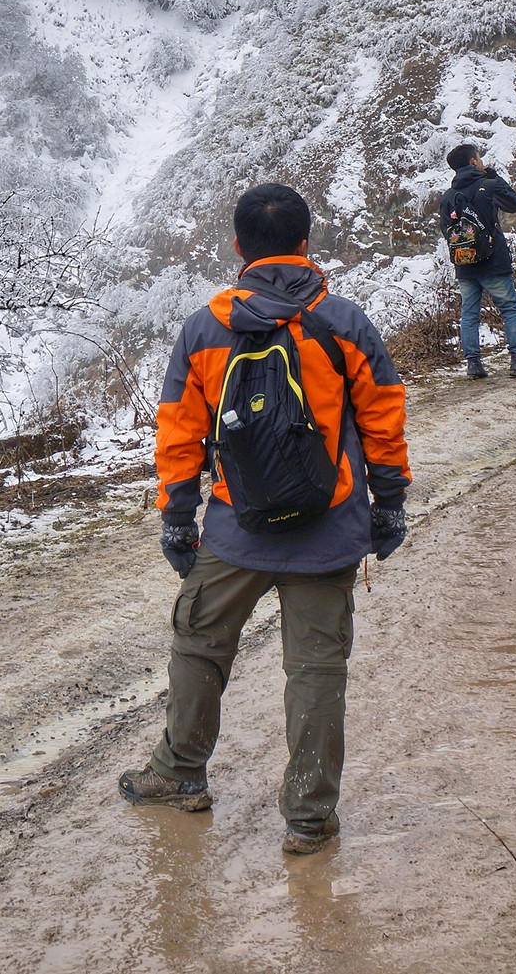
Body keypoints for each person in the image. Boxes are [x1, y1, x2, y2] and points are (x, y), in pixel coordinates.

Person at [118, 183, 411, 856]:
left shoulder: (205, 327)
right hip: (329, 528)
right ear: (307, 244)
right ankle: (308, 817)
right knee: (315, 671)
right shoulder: (343, 321)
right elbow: (384, 416)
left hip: (234, 529)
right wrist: (388, 504)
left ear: (238, 249)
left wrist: (178, 516)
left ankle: (178, 772)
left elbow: (179, 433)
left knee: (198, 642)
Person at [440, 143, 516, 379]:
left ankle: (474, 366)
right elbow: (514, 204)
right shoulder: (488, 185)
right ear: (474, 162)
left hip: (464, 265)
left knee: (469, 313)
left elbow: (446, 230)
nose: (482, 162)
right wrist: (494, 177)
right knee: (509, 309)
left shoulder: (447, 197)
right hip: (493, 262)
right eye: (480, 158)